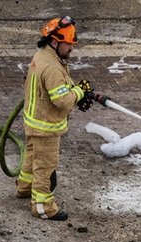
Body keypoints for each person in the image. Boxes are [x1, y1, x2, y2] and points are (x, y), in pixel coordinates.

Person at [17, 16, 93, 221]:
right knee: (45, 167)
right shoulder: (52, 68)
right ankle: (43, 207)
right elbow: (62, 101)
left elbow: (57, 85)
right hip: (46, 127)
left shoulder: (43, 55)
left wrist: (75, 89)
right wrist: (78, 93)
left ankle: (24, 187)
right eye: (68, 44)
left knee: (32, 157)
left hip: (34, 122)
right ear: (55, 41)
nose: (71, 49)